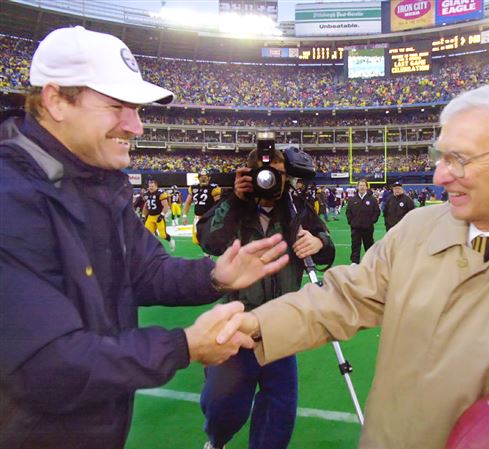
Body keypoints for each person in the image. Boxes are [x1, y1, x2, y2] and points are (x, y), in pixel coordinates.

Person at [217, 72, 489, 449]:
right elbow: (345, 297)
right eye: (440, 156)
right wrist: (251, 324)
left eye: (459, 159)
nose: (439, 176)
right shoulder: (417, 229)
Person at [0, 26, 290, 449]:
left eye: (136, 109)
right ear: (56, 100)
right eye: (117, 106)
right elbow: (48, 364)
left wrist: (216, 276)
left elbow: (146, 270)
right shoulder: (11, 196)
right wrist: (184, 346)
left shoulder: (97, 183)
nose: (135, 126)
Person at [197, 148, 335, 449]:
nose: (269, 179)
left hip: (281, 325)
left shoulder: (297, 210)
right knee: (223, 407)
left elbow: (327, 250)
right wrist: (235, 198)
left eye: (277, 174)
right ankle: (216, 441)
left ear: (286, 177)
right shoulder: (235, 207)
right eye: (262, 172)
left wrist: (317, 241)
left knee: (279, 411)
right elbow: (209, 239)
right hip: (237, 323)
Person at [183, 168, 221, 245]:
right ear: (198, 178)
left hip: (209, 217)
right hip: (198, 217)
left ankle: (208, 255)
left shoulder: (213, 188)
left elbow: (218, 204)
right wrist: (184, 216)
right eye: (201, 177)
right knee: (196, 240)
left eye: (205, 177)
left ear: (209, 178)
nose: (203, 179)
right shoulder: (194, 188)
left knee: (208, 238)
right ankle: (207, 254)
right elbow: (187, 203)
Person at [346, 178, 380, 264]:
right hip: (355, 228)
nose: (362, 187)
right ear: (357, 187)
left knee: (369, 245)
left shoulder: (372, 199)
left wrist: (371, 221)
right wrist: (351, 222)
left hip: (368, 228)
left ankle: (370, 262)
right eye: (360, 185)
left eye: (363, 185)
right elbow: (348, 212)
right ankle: (354, 262)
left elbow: (377, 211)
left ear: (366, 187)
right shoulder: (352, 200)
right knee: (355, 245)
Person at [142, 178, 176, 251]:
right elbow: (146, 206)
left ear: (156, 186)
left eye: (152, 186)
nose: (150, 188)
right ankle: (152, 249)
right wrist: (143, 216)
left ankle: (170, 240)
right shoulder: (146, 194)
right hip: (150, 217)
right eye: (149, 186)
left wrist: (162, 215)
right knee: (148, 235)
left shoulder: (160, 194)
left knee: (163, 235)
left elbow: (166, 206)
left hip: (158, 216)